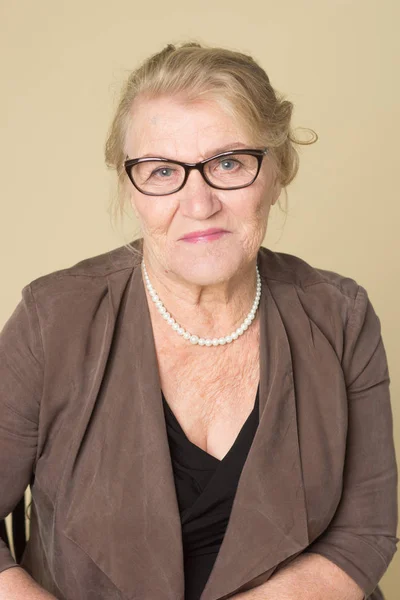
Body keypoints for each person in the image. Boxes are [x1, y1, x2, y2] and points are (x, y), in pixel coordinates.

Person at [0, 41, 398, 600]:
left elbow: (365, 532)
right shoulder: (52, 319)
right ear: (130, 187)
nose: (199, 201)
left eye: (228, 162)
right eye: (163, 170)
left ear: (277, 169)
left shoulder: (341, 316)